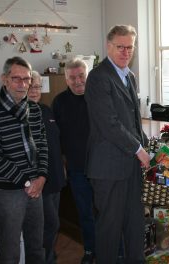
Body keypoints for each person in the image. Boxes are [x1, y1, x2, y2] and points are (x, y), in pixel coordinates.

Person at [85, 24, 150, 263]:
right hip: (108, 167)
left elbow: (133, 120)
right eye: (120, 47)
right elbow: (109, 124)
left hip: (131, 166)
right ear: (109, 46)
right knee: (109, 229)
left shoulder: (129, 76)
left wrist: (146, 147)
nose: (125, 52)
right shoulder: (98, 77)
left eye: (129, 47)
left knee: (135, 224)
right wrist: (138, 149)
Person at [0, 56, 47, 263]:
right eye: (16, 78)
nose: (22, 84)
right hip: (7, 191)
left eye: (26, 79)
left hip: (36, 187)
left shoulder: (34, 110)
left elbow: (43, 145)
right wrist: (28, 182)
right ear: (4, 79)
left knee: (37, 246)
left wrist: (42, 177)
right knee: (10, 252)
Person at [52, 58, 96, 264]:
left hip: (103, 168)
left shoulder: (99, 97)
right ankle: (89, 250)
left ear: (87, 75)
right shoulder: (59, 102)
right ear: (66, 79)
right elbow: (56, 137)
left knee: (109, 213)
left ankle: (115, 250)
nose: (78, 81)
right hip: (77, 170)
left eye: (81, 76)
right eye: (72, 78)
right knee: (85, 214)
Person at [28, 71, 66, 263]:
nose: (34, 91)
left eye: (37, 87)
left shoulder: (46, 110)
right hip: (38, 182)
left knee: (50, 224)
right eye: (30, 87)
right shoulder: (21, 114)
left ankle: (49, 254)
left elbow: (56, 142)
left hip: (56, 178)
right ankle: (45, 259)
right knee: (49, 224)